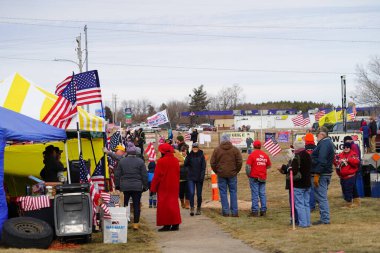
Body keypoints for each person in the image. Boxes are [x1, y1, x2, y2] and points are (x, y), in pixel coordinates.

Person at [114, 143, 148, 230]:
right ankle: (136, 224)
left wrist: (117, 185)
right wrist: (145, 186)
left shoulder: (122, 161)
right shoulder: (140, 161)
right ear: (135, 153)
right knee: (136, 205)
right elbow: (144, 175)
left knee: (125, 204)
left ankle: (125, 221)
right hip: (137, 186)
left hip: (125, 186)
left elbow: (117, 175)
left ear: (127, 153)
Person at [150, 143, 182, 232]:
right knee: (174, 204)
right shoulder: (175, 160)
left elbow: (157, 176)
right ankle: (175, 224)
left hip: (163, 186)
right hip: (174, 185)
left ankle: (166, 224)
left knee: (164, 205)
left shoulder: (161, 162)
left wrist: (153, 188)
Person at [210, 134, 242, 217]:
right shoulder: (235, 150)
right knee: (233, 192)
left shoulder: (217, 150)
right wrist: (236, 171)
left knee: (223, 193)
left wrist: (217, 171)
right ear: (229, 140)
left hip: (221, 174)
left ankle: (226, 212)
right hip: (232, 174)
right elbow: (239, 162)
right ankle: (234, 212)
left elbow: (212, 163)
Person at [311, 126, 335, 225]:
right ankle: (324, 217)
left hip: (322, 174)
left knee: (321, 197)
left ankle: (325, 219)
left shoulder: (325, 144)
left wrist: (317, 173)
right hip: (325, 173)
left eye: (317, 135)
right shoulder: (327, 143)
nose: (316, 137)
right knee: (321, 196)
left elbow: (322, 160)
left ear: (321, 134)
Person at [246, 140, 271, 217]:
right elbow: (269, 166)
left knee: (255, 194)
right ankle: (263, 210)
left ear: (253, 146)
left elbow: (248, 167)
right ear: (260, 146)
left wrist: (248, 174)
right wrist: (262, 167)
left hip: (254, 177)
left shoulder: (252, 155)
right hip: (262, 177)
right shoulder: (265, 155)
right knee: (262, 194)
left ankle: (255, 211)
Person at [291, 140, 312, 228]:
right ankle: (307, 222)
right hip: (307, 182)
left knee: (300, 204)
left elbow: (294, 171)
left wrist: (288, 168)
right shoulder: (308, 155)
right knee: (306, 203)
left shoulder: (296, 157)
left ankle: (303, 223)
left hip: (299, 184)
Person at [334, 142, 360, 208]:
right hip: (342, 176)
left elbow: (357, 161)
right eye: (344, 147)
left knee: (348, 190)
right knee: (349, 189)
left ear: (350, 148)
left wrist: (348, 160)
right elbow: (336, 162)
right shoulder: (340, 154)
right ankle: (356, 202)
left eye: (347, 147)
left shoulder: (353, 154)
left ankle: (348, 203)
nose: (345, 148)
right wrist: (336, 161)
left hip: (350, 176)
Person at [184, 142, 206, 216]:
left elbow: (203, 167)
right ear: (192, 148)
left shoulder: (201, 155)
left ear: (198, 147)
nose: (195, 148)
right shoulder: (190, 155)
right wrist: (187, 155)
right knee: (191, 193)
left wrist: (202, 177)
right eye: (194, 147)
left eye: (196, 147)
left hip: (199, 178)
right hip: (191, 177)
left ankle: (199, 208)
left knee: (199, 195)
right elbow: (185, 164)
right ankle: (192, 208)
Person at [305, 133, 317, 212]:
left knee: (308, 189)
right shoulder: (316, 148)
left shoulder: (304, 148)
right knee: (315, 189)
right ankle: (313, 205)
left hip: (306, 172)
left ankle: (310, 205)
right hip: (315, 171)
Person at [179, 145, 190, 209]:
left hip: (188, 177)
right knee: (181, 192)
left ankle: (187, 203)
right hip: (180, 177)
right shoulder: (179, 158)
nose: (184, 152)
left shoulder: (189, 158)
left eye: (185, 151)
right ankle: (182, 202)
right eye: (183, 151)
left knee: (187, 191)